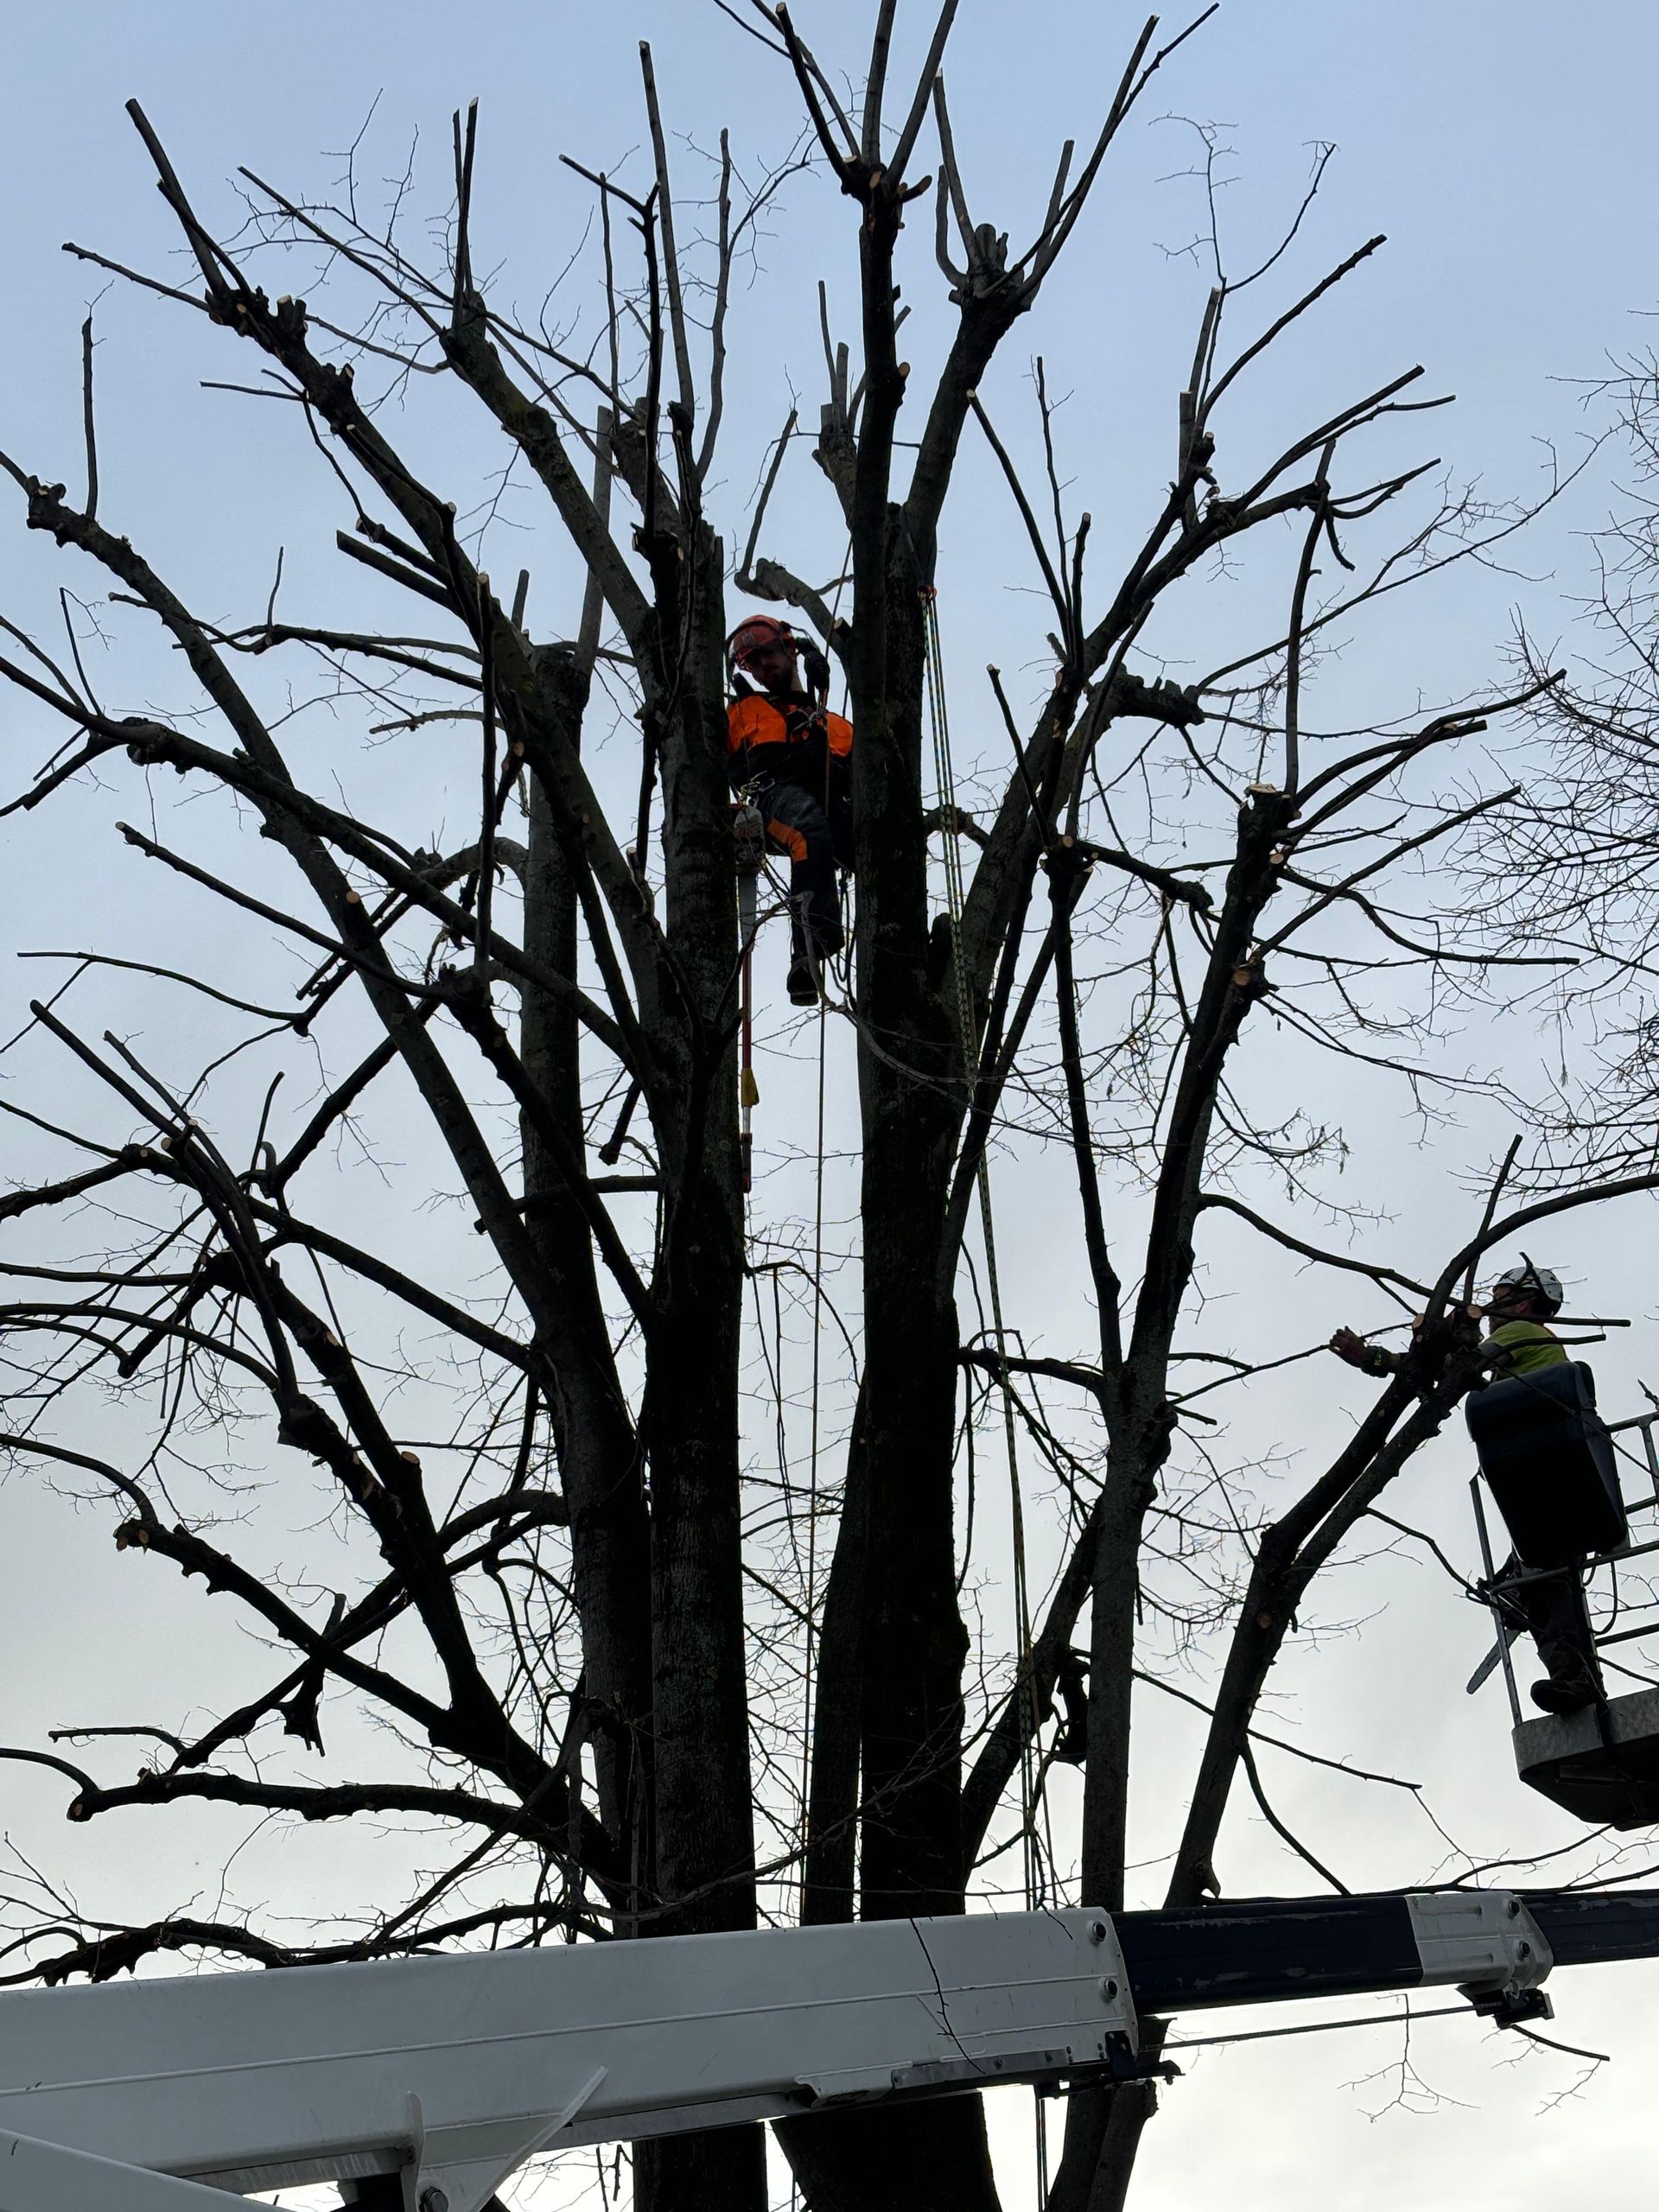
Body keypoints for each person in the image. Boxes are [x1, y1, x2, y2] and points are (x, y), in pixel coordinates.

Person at [1330, 1262, 1600, 1715]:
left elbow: (1459, 1369)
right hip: (1552, 1473)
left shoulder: (1521, 1332)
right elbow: (1452, 1373)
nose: (1493, 1305)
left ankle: (1571, 1675)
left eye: (1503, 1295)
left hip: (1548, 1471)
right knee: (1548, 1579)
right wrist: (1377, 1360)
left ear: (1528, 1303)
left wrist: (1386, 1357)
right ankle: (1549, 1639)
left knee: (1546, 1580)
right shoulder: (1521, 1346)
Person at [726, 615, 853, 1006]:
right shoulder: (742, 712)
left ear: (790, 647)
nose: (763, 666)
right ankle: (809, 947)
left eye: (766, 653)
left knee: (881, 847)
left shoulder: (837, 725)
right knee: (805, 825)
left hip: (832, 807)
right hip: (773, 797)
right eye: (752, 663)